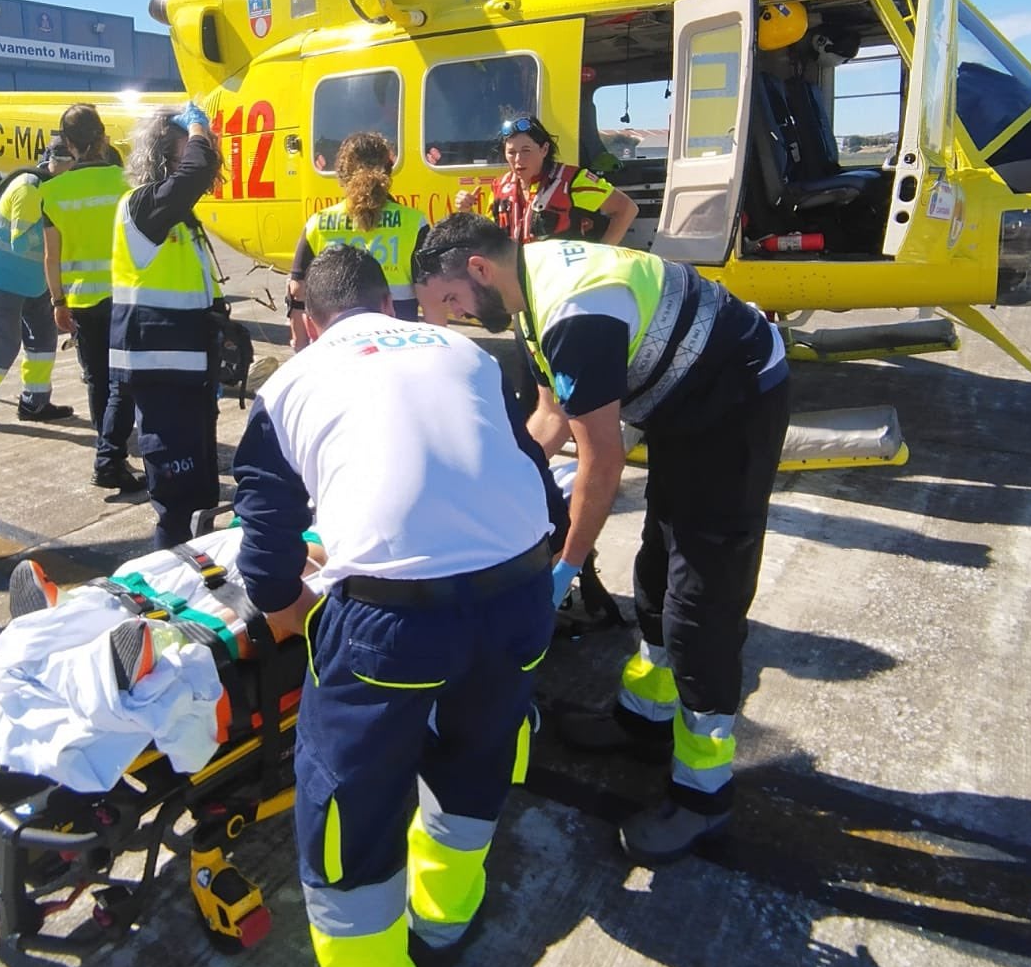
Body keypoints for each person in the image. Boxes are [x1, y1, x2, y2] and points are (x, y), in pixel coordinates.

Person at [232, 244, 565, 967]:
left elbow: (267, 564)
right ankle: (440, 937)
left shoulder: (292, 384)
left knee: (350, 819)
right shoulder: (469, 355)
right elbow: (537, 484)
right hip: (520, 598)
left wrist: (296, 604)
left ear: (309, 323)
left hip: (394, 628)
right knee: (476, 762)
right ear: (394, 305)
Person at [411, 213, 792, 867]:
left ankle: (703, 795)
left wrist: (565, 565)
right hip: (685, 406)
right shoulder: (528, 291)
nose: (456, 316)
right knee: (655, 572)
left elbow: (602, 461)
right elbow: (550, 417)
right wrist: (497, 486)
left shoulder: (573, 312)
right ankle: (645, 720)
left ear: (478, 269)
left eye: (451, 301)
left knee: (701, 606)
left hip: (736, 405)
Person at [111, 101, 223, 549]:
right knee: (177, 499)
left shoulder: (177, 217)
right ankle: (169, 566)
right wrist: (198, 129)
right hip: (159, 371)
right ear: (162, 159)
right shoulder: (143, 206)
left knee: (202, 493)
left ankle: (199, 565)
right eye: (184, 153)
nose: (194, 160)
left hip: (188, 371)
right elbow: (196, 173)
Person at [41, 104, 145, 493]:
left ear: (67, 143)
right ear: (103, 137)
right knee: (126, 381)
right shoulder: (127, 183)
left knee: (98, 381)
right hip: (125, 296)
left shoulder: (52, 192)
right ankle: (112, 457)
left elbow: (51, 257)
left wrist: (58, 301)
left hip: (82, 301)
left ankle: (109, 455)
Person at [0, 146, 78, 427]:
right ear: (55, 163)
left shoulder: (59, 188)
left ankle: (35, 403)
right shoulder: (28, 188)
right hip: (5, 277)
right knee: (4, 341)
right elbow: (21, 242)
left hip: (37, 281)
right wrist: (60, 237)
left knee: (43, 339)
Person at [286, 132, 428, 350]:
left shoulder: (318, 223)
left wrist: (300, 343)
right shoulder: (414, 222)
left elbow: (297, 290)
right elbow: (429, 293)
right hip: (398, 343)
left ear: (342, 173)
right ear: (388, 171)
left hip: (337, 346)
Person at [455, 114, 637, 246]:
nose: (518, 160)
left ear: (544, 149)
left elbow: (627, 209)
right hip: (518, 280)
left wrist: (601, 254)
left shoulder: (573, 181)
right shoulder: (499, 188)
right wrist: (467, 212)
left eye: (526, 150)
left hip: (563, 280)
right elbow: (489, 239)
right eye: (511, 152)